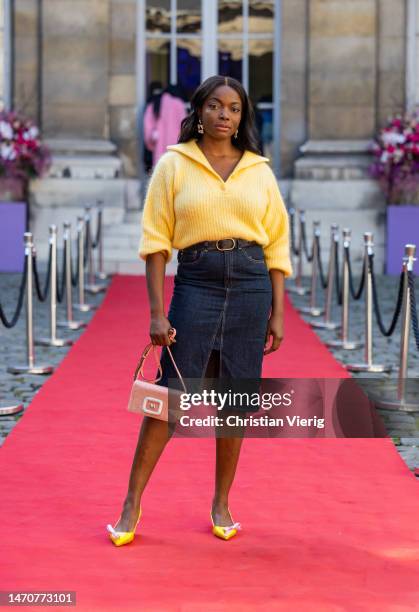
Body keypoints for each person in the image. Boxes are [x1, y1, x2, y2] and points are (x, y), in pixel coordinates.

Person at [107, 75, 292, 546]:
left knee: (236, 402)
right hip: (197, 281)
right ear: (199, 110)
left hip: (252, 283)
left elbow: (277, 245)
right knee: (171, 395)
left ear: (242, 116)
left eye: (233, 108)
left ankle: (222, 501)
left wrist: (278, 312)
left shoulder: (259, 170)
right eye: (215, 105)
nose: (224, 115)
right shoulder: (174, 164)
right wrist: (155, 312)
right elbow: (155, 242)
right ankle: (131, 503)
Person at [142, 83, 188, 169]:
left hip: (159, 149)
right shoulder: (179, 104)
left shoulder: (154, 104)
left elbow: (148, 128)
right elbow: (185, 127)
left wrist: (152, 138)